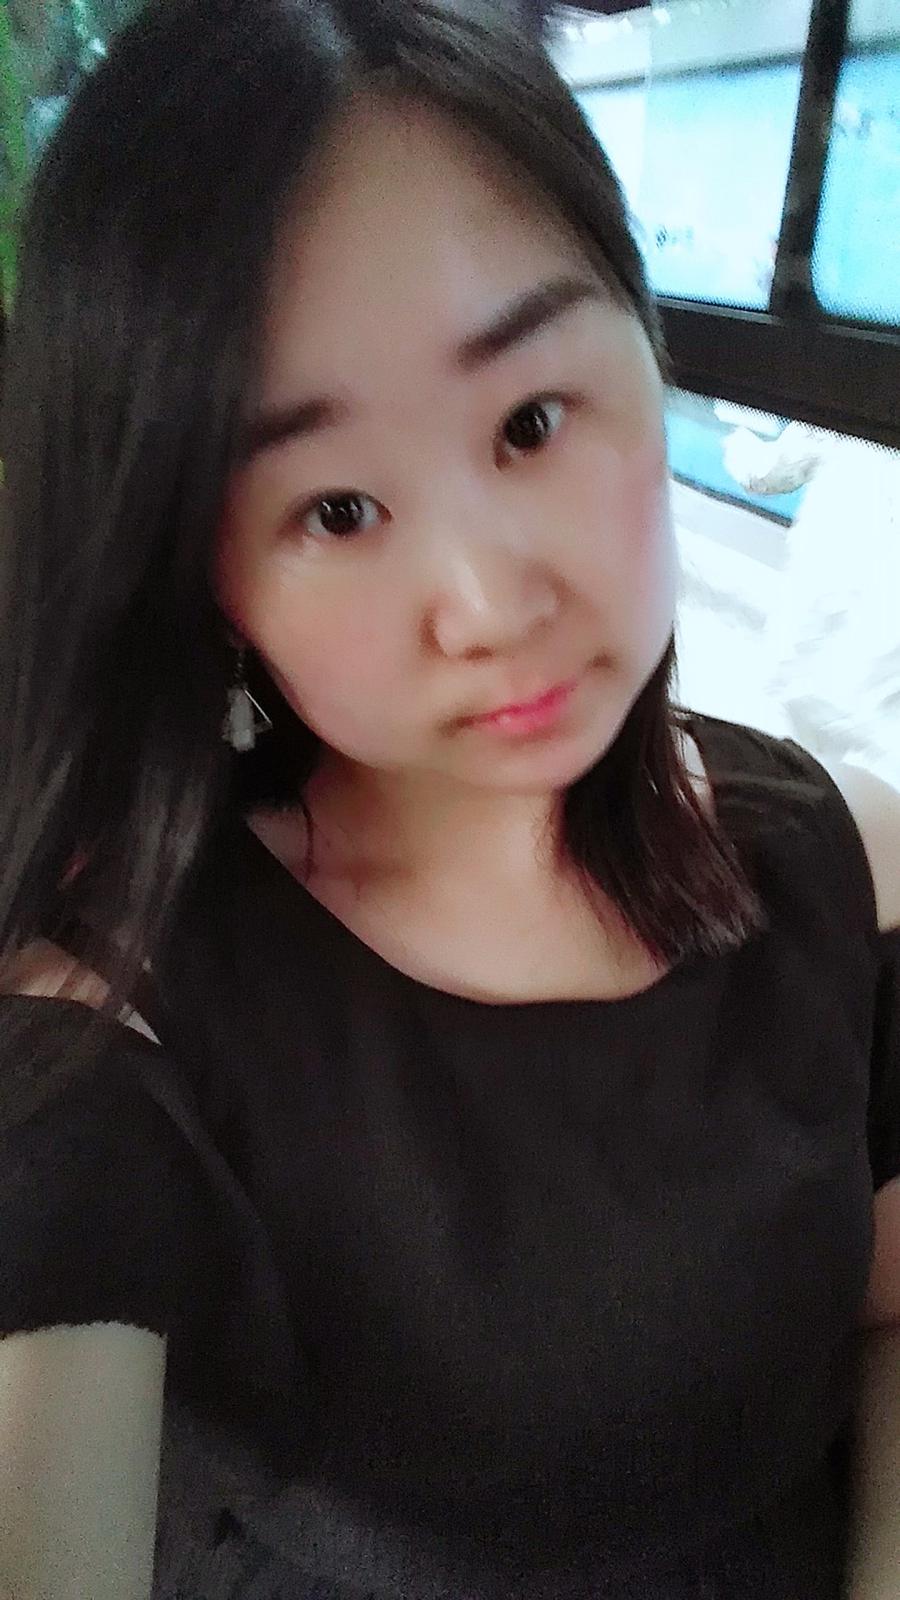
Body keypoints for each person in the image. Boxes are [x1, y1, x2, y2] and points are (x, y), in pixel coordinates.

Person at [0, 2, 899, 1596]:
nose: (487, 603)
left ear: (645, 345)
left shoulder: (847, 856)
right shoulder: (118, 1025)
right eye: (337, 510)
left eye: (531, 424)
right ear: (203, 572)